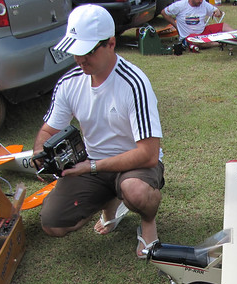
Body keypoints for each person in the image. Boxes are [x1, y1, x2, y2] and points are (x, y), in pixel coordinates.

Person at [33, 4, 164, 258]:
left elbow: (149, 154)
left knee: (135, 190)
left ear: (111, 44)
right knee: (53, 223)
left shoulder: (134, 83)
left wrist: (92, 167)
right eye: (75, 51)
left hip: (134, 166)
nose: (80, 59)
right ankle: (110, 204)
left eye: (88, 51)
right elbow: (48, 130)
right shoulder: (69, 82)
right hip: (92, 165)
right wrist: (41, 153)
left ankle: (148, 223)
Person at [161, 0, 233, 51]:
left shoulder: (203, 4)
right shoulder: (180, 5)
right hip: (188, 36)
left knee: (224, 26)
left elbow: (218, 13)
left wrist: (218, 12)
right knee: (195, 41)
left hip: (202, 31)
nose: (200, 1)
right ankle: (220, 43)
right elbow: (164, 12)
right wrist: (176, 25)